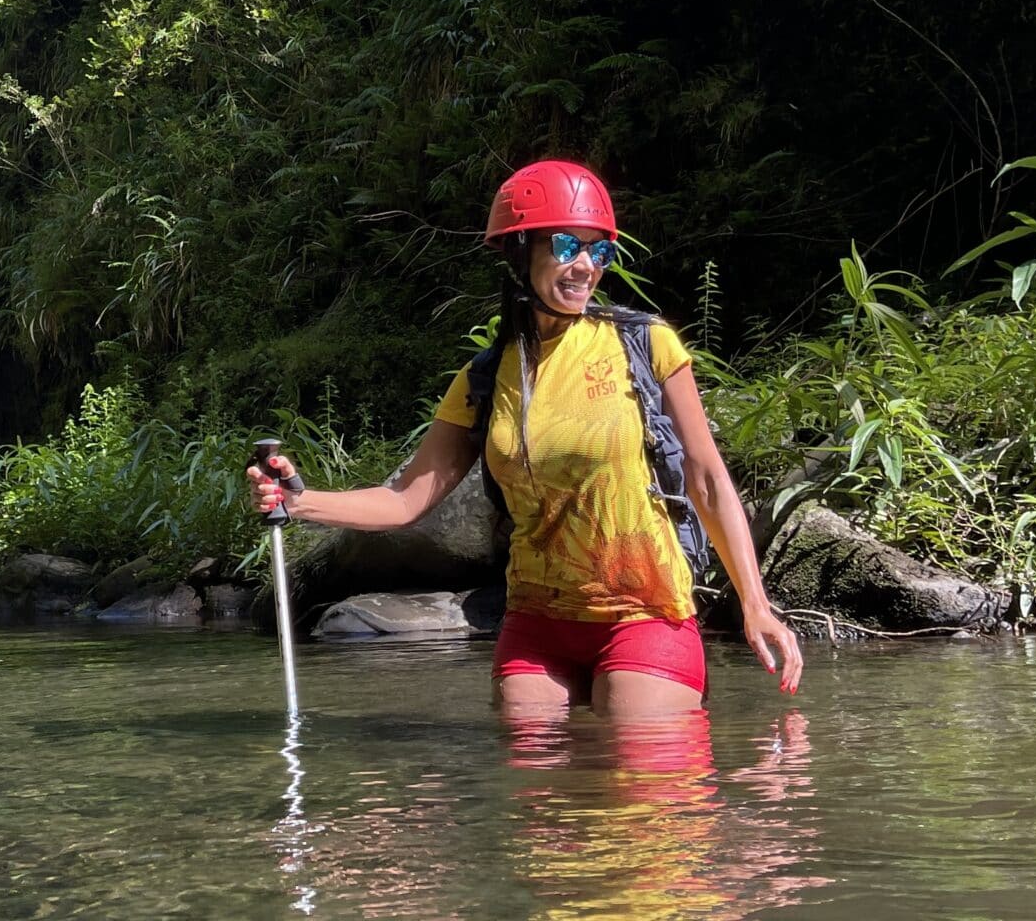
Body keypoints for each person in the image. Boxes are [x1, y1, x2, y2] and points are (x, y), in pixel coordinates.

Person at [247, 160, 803, 719]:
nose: (586, 265)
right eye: (567, 245)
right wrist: (302, 502)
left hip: (645, 612)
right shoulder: (486, 379)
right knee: (534, 789)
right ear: (520, 252)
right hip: (537, 623)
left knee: (644, 791)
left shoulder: (645, 344)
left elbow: (707, 479)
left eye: (598, 251)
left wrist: (755, 602)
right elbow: (406, 499)